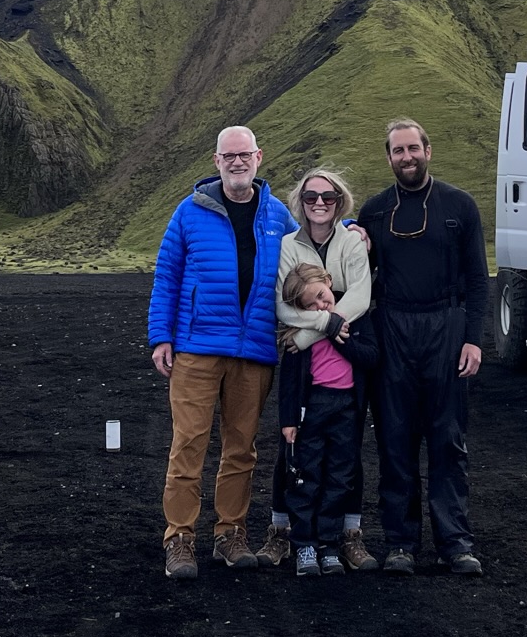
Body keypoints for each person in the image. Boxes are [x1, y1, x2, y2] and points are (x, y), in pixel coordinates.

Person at [147, 125, 296, 579]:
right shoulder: (189, 212)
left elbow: (313, 247)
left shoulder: (276, 215)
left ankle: (230, 534)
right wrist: (161, 337)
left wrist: (353, 229)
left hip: (253, 351)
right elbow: (167, 276)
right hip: (196, 348)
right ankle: (180, 538)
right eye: (228, 155)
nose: (236, 162)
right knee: (188, 444)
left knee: (241, 449)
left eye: (244, 154)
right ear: (216, 161)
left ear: (258, 157)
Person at [356, 118, 488, 576]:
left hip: (446, 326)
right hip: (392, 326)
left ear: (428, 151)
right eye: (398, 151)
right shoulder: (373, 213)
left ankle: (455, 542)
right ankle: (400, 543)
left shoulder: (459, 206)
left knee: (448, 439)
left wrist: (474, 338)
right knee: (395, 438)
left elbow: (477, 279)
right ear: (389, 157)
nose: (407, 157)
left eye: (413, 148)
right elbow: (355, 275)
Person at [258, 166, 376, 571]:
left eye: (328, 196)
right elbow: (284, 305)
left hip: (344, 358)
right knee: (297, 458)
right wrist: (326, 325)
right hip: (312, 374)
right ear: (301, 202)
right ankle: (288, 534)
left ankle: (344, 537)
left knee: (346, 461)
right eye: (311, 197)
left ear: (340, 200)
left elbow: (361, 295)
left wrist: (318, 328)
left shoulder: (352, 241)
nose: (320, 203)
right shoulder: (290, 245)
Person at [276, 262, 378, 576]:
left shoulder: (357, 318)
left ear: (328, 281)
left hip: (347, 407)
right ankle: (304, 544)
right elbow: (290, 380)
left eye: (322, 295)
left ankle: (330, 545)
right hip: (313, 408)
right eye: (311, 305)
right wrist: (288, 419)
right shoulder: (300, 334)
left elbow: (370, 357)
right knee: (306, 476)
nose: (321, 305)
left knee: (339, 476)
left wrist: (336, 334)